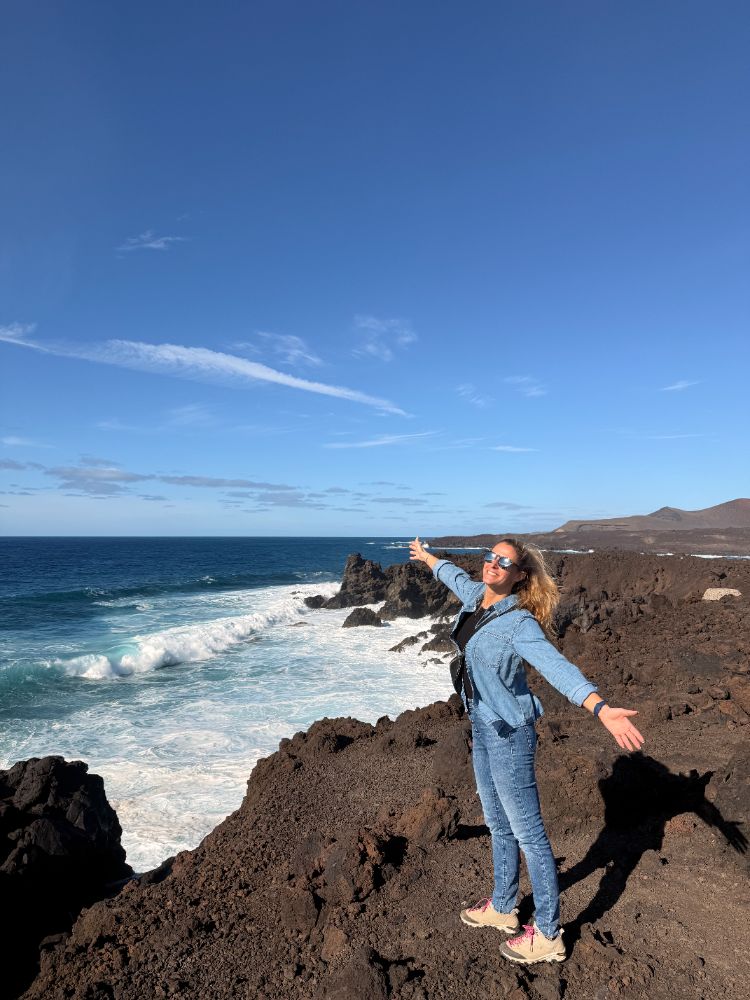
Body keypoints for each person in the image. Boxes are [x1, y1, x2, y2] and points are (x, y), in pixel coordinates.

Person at [409, 536, 644, 965]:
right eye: (490, 557)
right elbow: (453, 575)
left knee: (529, 835)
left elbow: (558, 668)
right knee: (497, 823)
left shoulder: (519, 624)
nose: (492, 565)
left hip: (509, 734)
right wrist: (428, 558)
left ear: (519, 576)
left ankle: (549, 933)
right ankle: (503, 906)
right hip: (481, 726)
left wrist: (601, 708)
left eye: (504, 562)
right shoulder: (477, 596)